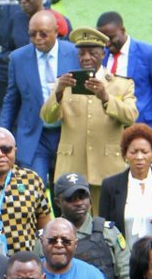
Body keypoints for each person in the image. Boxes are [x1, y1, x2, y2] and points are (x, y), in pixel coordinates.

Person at [43, 28, 137, 206]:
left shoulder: (121, 84)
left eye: (92, 53)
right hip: (72, 167)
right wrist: (58, 93)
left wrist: (106, 98)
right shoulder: (64, 83)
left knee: (107, 223)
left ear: (103, 54)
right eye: (81, 54)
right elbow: (48, 118)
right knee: (74, 224)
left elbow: (130, 116)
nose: (86, 58)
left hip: (107, 167)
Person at [2, 11, 78, 186]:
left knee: (66, 189)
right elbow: (11, 100)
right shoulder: (18, 58)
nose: (37, 38)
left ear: (56, 31)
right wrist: (3, 135)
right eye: (32, 34)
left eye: (43, 33)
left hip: (67, 132)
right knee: (33, 187)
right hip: (35, 135)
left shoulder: (74, 53)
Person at [95, 12, 152, 157]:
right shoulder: (102, 55)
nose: (107, 44)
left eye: (111, 38)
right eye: (103, 39)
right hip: (110, 132)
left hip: (145, 132)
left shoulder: (149, 53)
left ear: (123, 30)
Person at [99, 123, 152, 249]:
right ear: (125, 156)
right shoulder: (110, 185)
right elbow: (104, 227)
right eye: (133, 152)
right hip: (124, 261)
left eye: (145, 152)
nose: (139, 157)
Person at [0, 128, 52, 254]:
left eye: (6, 149)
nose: (0, 154)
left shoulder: (32, 180)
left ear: (15, 151)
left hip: (26, 265)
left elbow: (45, 224)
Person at [51, 172, 132, 279]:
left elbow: (126, 276)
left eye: (82, 197)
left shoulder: (108, 232)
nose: (78, 203)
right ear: (58, 202)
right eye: (71, 199)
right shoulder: (48, 238)